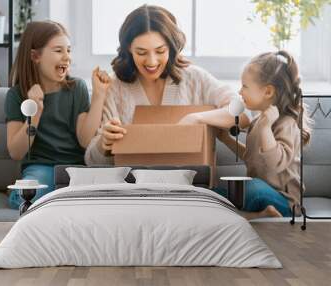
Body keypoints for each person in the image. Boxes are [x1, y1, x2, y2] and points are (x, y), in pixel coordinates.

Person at [85, 5, 250, 165]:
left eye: (160, 51)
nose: (151, 61)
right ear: (129, 48)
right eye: (141, 52)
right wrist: (104, 144)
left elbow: (242, 114)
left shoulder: (194, 78)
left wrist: (196, 118)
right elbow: (91, 160)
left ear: (171, 47)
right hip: (133, 187)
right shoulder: (115, 87)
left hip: (190, 185)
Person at [5, 21, 110, 209]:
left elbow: (85, 140)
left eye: (68, 50)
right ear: (35, 56)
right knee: (30, 197)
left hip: (75, 168)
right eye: (58, 50)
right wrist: (34, 112)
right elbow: (16, 151)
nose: (67, 57)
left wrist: (99, 95)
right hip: (41, 168)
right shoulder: (16, 95)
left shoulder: (77, 88)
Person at [216, 50, 312, 219]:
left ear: (268, 92)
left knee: (254, 188)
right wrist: (226, 139)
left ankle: (247, 215)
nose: (239, 92)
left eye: (245, 86)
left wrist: (267, 128)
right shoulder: (259, 120)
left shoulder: (287, 124)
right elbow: (251, 158)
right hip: (261, 192)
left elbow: (275, 164)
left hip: (285, 201)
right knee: (216, 193)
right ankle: (259, 216)